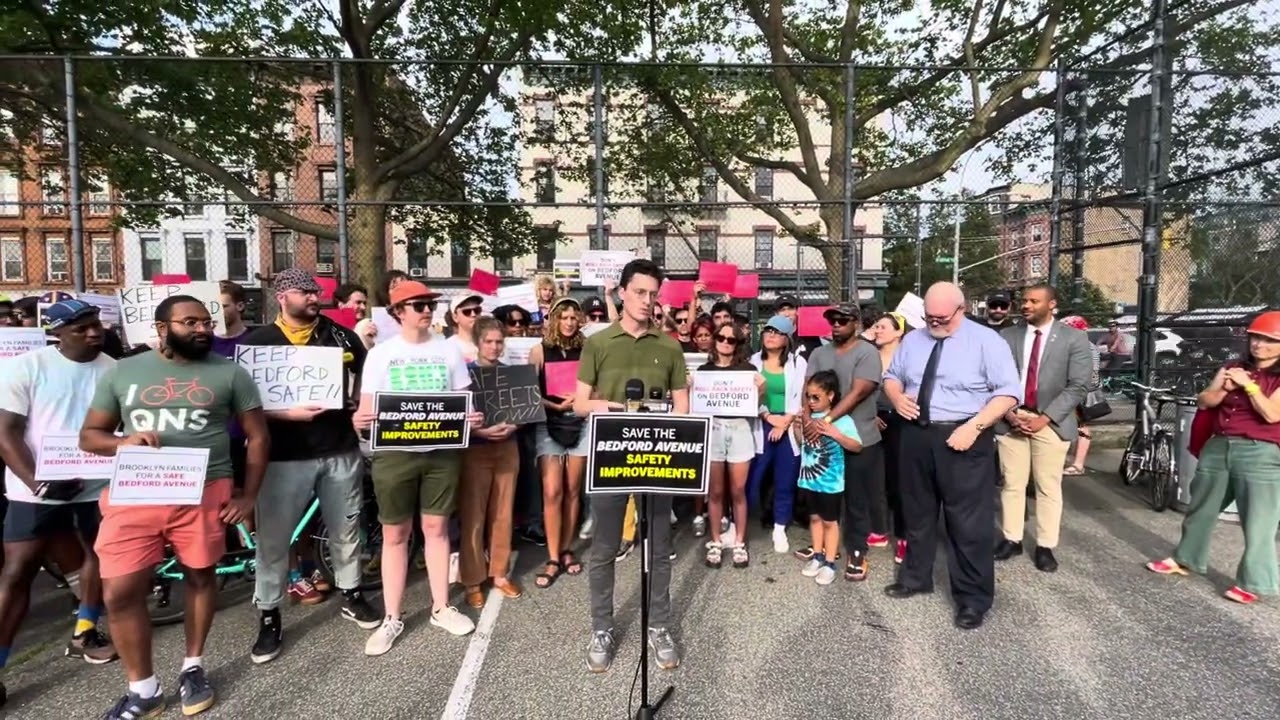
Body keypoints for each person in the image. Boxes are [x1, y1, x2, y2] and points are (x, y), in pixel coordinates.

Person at [81, 295, 268, 718]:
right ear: (163, 328)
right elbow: (90, 436)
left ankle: (193, 666)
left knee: (200, 577)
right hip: (137, 492)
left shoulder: (231, 373)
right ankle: (142, 688)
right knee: (120, 590)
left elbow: (258, 437)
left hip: (204, 490)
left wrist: (247, 494)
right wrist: (122, 441)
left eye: (206, 322)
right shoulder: (125, 371)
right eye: (190, 322)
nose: (202, 329)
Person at [239, 269, 381, 664]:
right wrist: (286, 414)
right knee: (273, 539)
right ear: (283, 295)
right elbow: (244, 407)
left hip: (338, 448)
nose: (315, 297)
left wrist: (356, 403)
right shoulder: (259, 342)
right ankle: (269, 614)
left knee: (346, 528)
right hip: (284, 456)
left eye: (317, 291)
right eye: (306, 291)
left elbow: (363, 378)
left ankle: (352, 593)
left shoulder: (340, 335)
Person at [351, 280, 482, 655]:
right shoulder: (380, 354)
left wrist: (470, 417)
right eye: (418, 304)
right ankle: (393, 616)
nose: (426, 310)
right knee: (395, 534)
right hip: (395, 454)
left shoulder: (448, 351)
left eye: (429, 303)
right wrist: (361, 418)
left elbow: (462, 399)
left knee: (437, 528)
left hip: (442, 452)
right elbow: (367, 405)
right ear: (398, 312)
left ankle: (441, 606)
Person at [881, 282, 1021, 630]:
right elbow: (892, 377)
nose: (933, 323)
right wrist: (897, 398)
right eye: (928, 316)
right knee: (916, 512)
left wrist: (975, 427)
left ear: (962, 310)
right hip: (916, 434)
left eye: (941, 317)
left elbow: (1008, 394)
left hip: (964, 434)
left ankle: (973, 599)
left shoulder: (987, 342)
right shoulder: (913, 339)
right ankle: (915, 577)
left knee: (968, 523)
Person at [0, 301, 119, 708]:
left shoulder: (114, 369)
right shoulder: (26, 367)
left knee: (100, 554)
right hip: (35, 487)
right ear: (57, 332)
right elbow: (6, 433)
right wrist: (38, 481)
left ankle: (85, 630)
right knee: (17, 572)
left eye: (96, 325)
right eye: (82, 328)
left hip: (95, 482)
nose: (94, 332)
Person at [573, 258, 688, 674]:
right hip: (610, 458)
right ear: (621, 292)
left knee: (658, 548)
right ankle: (602, 627)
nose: (647, 301)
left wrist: (672, 435)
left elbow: (682, 407)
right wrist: (604, 405)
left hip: (658, 458)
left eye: (653, 294)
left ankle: (658, 625)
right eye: (639, 292)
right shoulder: (599, 343)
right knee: (604, 549)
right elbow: (580, 401)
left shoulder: (669, 345)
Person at [1146, 311, 1280, 605]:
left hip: (1261, 451)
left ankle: (1254, 582)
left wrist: (1249, 386)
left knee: (1259, 520)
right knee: (1201, 508)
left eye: (1269, 340)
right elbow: (1204, 400)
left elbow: (1272, 414)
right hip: (1219, 445)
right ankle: (1186, 559)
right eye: (1256, 337)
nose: (1259, 345)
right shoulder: (1233, 367)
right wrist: (1223, 388)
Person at [994, 284, 1091, 573]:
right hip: (1012, 419)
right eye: (1023, 301)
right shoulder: (1007, 336)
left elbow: (1078, 385)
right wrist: (1010, 414)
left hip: (1051, 422)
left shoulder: (1074, 339)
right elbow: (996, 378)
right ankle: (1012, 539)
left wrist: (1044, 418)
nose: (1026, 305)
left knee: (1048, 486)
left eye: (1034, 301)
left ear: (1052, 305)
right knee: (1012, 483)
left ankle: (1046, 545)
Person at [801, 302, 882, 582]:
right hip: (822, 439)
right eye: (832, 320)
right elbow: (807, 387)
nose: (836, 325)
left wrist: (825, 422)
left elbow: (859, 392)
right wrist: (807, 418)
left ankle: (857, 549)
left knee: (856, 499)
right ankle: (823, 547)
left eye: (842, 320)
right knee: (822, 496)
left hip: (858, 435)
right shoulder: (819, 352)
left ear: (856, 323)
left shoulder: (867, 352)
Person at [459, 318, 522, 608]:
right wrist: (478, 431)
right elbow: (458, 415)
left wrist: (513, 426)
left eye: (499, 341)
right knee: (474, 515)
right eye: (489, 341)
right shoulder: (464, 374)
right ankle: (472, 579)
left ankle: (499, 573)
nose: (495, 347)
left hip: (507, 447)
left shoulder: (511, 374)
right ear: (478, 343)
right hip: (475, 449)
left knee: (503, 512)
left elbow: (523, 410)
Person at [528, 297, 589, 587]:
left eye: (573, 317)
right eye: (563, 317)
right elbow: (528, 392)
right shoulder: (538, 351)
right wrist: (553, 407)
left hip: (580, 420)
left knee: (573, 489)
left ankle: (566, 548)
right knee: (552, 491)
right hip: (549, 421)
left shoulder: (587, 348)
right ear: (553, 319)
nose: (568, 322)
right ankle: (552, 556)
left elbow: (596, 384)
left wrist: (578, 400)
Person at [700, 322, 763, 569]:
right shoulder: (704, 371)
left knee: (738, 490)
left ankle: (739, 542)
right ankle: (715, 541)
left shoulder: (748, 370)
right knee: (714, 492)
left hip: (739, 428)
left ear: (738, 344)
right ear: (714, 340)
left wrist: (761, 390)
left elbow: (754, 404)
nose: (726, 342)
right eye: (721, 337)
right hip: (713, 427)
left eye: (732, 339)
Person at [795, 370, 863, 585]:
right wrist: (798, 429)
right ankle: (817, 555)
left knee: (829, 522)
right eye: (808, 397)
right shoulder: (808, 417)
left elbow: (857, 446)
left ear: (831, 396)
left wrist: (836, 434)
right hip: (808, 479)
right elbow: (803, 444)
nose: (811, 402)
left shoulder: (842, 419)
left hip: (830, 483)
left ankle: (830, 562)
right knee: (814, 518)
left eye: (816, 397)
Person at [748, 315, 806, 554]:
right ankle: (741, 523)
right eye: (767, 330)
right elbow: (748, 396)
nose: (770, 335)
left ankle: (780, 527)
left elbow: (801, 395)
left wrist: (786, 421)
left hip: (788, 426)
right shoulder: (752, 362)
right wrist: (768, 417)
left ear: (786, 339)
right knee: (752, 479)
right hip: (762, 423)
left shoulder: (798, 363)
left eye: (777, 332)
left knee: (786, 479)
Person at [871, 312, 909, 564]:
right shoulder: (868, 357)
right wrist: (870, 414)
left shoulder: (908, 357)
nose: (877, 330)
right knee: (875, 478)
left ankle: (904, 535)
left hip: (901, 422)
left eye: (883, 327)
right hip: (872, 420)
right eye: (876, 326)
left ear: (899, 332)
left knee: (901, 480)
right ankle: (879, 528)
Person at [1058, 315, 1100, 476]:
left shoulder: (1082, 347)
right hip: (1083, 391)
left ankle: (1077, 464)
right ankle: (1076, 463)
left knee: (1074, 426)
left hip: (1079, 392)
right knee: (1080, 426)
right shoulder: (1089, 346)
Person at [446, 294, 484, 362]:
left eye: (477, 310)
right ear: (455, 317)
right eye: (467, 311)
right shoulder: (448, 347)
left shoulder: (492, 342)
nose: (473, 314)